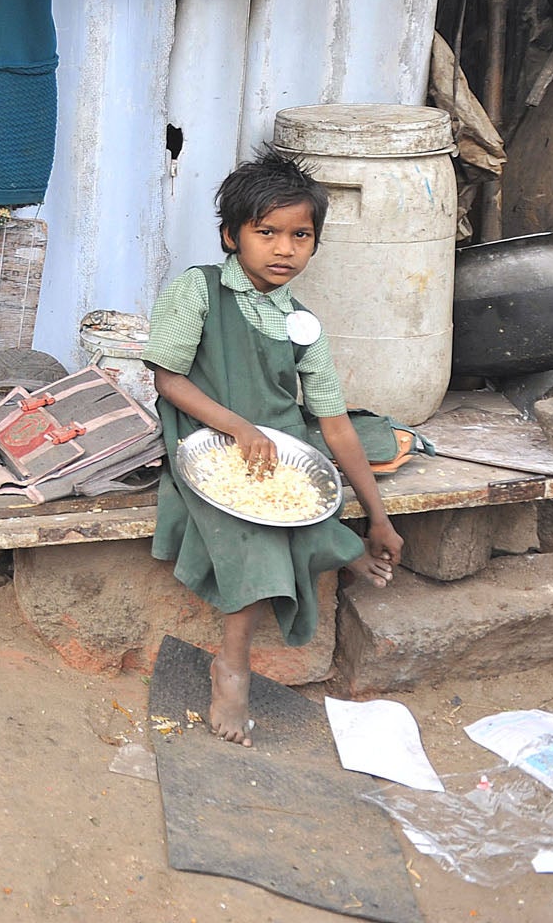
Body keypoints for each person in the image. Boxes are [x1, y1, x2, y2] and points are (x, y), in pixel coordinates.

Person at [142, 150, 404, 745]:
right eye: (267, 232)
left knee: (329, 475)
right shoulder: (199, 290)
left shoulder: (300, 321)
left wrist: (379, 516)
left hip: (279, 440)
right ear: (232, 236)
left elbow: (333, 422)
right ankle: (232, 666)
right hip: (209, 440)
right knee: (256, 528)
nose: (284, 249)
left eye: (300, 235)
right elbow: (169, 379)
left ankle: (344, 540)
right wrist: (239, 428)